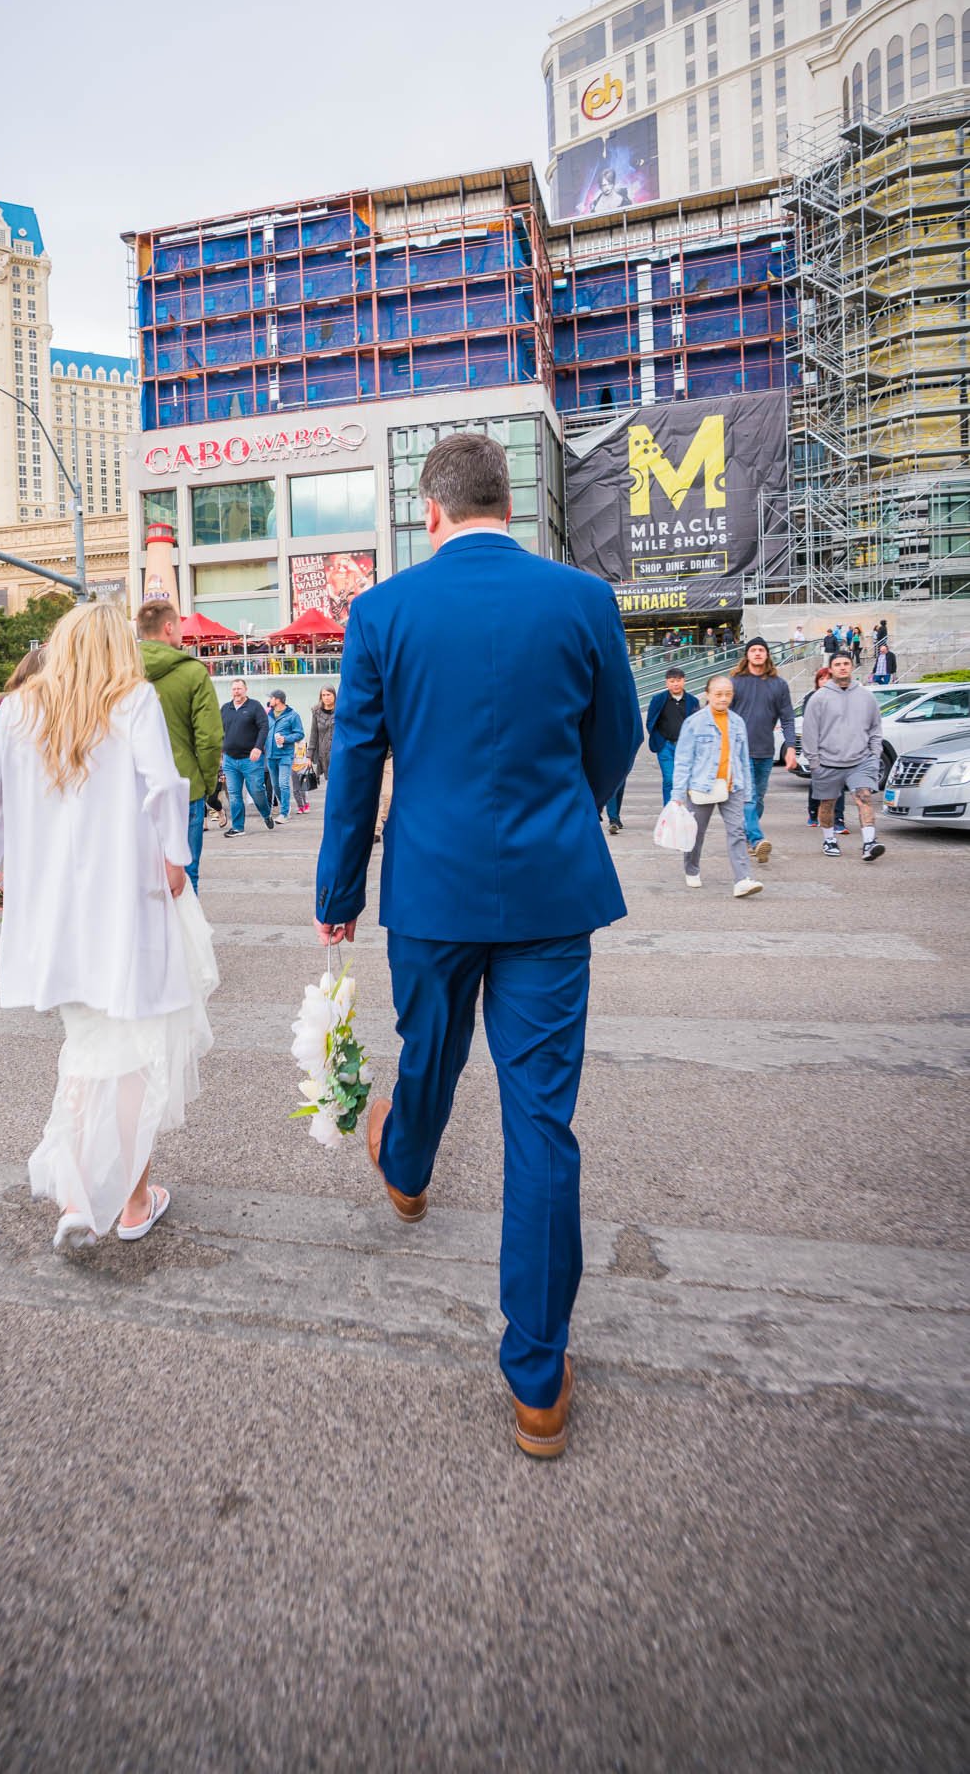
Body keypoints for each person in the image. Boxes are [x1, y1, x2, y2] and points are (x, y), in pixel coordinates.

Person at [314, 432, 641, 1460]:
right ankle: (536, 1378)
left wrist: (338, 892)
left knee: (432, 1052)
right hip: (551, 891)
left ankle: (405, 1167)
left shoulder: (383, 610)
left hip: (432, 888)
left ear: (432, 512)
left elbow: (356, 757)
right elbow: (620, 734)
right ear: (509, 501)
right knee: (542, 1120)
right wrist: (565, 807)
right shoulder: (582, 599)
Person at [0, 603, 217, 1247]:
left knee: (86, 1045)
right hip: (126, 904)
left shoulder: (19, 711)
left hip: (50, 911)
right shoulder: (131, 701)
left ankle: (78, 1196)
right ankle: (130, 1202)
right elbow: (164, 789)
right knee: (130, 1049)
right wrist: (174, 860)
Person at [136, 597, 223, 896]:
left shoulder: (120, 671)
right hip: (184, 785)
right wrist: (207, 782)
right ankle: (184, 941)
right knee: (186, 874)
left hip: (132, 786)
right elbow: (210, 738)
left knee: (136, 874)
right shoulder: (192, 672)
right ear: (168, 626)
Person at [672, 674, 764, 899]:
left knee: (737, 831)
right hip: (702, 786)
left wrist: (748, 792)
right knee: (696, 833)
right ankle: (691, 868)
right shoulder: (694, 723)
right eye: (718, 694)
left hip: (732, 786)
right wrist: (678, 794)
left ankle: (742, 879)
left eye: (728, 694)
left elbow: (743, 759)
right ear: (708, 695)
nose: (723, 699)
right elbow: (683, 760)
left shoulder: (737, 722)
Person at [802, 650, 885, 862]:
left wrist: (875, 755)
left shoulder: (866, 696)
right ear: (831, 669)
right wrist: (814, 763)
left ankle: (869, 842)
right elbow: (810, 732)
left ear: (851, 666)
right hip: (827, 762)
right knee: (827, 804)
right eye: (837, 664)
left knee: (864, 796)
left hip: (861, 760)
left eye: (846, 663)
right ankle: (829, 839)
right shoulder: (819, 698)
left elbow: (876, 728)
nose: (842, 667)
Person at [728, 638, 797, 863]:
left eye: (761, 650)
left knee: (758, 798)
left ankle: (747, 837)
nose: (757, 653)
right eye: (753, 650)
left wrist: (790, 748)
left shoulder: (778, 684)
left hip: (766, 750)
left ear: (767, 655)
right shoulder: (735, 682)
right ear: (747, 655)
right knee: (748, 797)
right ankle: (757, 839)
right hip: (740, 751)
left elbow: (787, 718)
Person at [219, 678, 274, 836]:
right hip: (229, 760)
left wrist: (258, 747)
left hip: (251, 759)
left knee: (257, 790)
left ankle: (266, 814)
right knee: (235, 794)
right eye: (234, 689)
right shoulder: (225, 708)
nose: (236, 691)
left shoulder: (254, 706)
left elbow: (264, 727)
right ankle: (238, 827)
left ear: (245, 689)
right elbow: (218, 730)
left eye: (239, 688)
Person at [800, 667, 848, 831]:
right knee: (818, 783)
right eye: (821, 679)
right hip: (818, 749)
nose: (825, 682)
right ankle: (813, 813)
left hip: (838, 749)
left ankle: (838, 819)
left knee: (838, 784)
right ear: (817, 682)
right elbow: (809, 725)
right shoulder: (811, 699)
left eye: (828, 678)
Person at [645, 666, 698, 807]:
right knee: (669, 779)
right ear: (666, 683)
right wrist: (659, 739)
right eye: (672, 681)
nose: (675, 684)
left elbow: (696, 724)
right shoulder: (658, 699)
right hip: (665, 745)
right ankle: (669, 810)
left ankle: (682, 809)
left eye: (678, 680)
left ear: (684, 681)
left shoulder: (692, 701)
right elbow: (650, 721)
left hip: (685, 747)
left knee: (685, 780)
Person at [263, 687, 304, 818]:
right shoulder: (268, 715)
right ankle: (285, 805)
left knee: (283, 783)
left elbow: (300, 734)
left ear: (278, 700)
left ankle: (284, 812)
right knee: (275, 785)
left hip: (285, 755)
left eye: (271, 698)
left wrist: (286, 739)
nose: (269, 700)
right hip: (270, 755)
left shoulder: (293, 715)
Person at [308, 684, 336, 781]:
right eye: (323, 695)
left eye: (328, 694)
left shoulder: (341, 710)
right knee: (330, 781)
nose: (326, 697)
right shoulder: (316, 712)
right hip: (323, 754)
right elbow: (313, 735)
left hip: (338, 752)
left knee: (338, 780)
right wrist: (309, 757)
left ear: (334, 696)